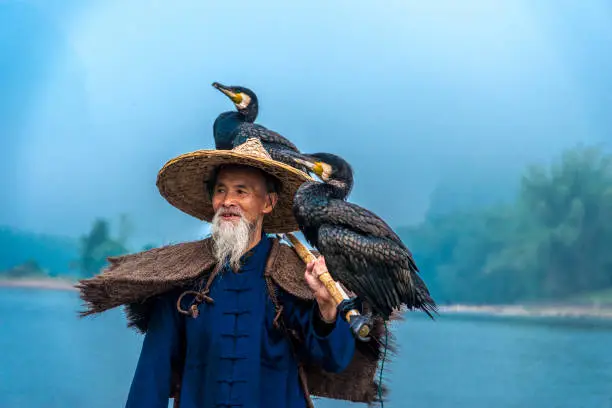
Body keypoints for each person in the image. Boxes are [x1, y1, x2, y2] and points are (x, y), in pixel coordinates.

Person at [77, 138, 390, 408]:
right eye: (221, 190)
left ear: (268, 203)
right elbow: (152, 374)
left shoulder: (297, 274)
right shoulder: (183, 276)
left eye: (242, 191)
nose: (228, 201)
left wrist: (326, 310)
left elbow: (333, 360)